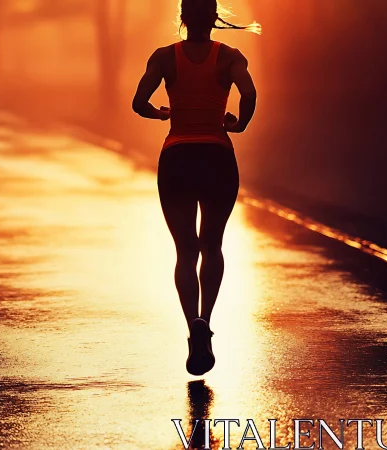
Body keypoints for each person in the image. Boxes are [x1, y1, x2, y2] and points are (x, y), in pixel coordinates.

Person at [131, 0, 258, 376]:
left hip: (178, 159)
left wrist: (160, 113)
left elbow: (139, 102)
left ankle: (193, 329)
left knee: (185, 251)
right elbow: (249, 94)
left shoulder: (164, 57)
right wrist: (239, 124)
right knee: (212, 245)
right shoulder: (231, 56)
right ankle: (207, 319)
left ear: (182, 18)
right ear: (215, 18)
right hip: (217, 157)